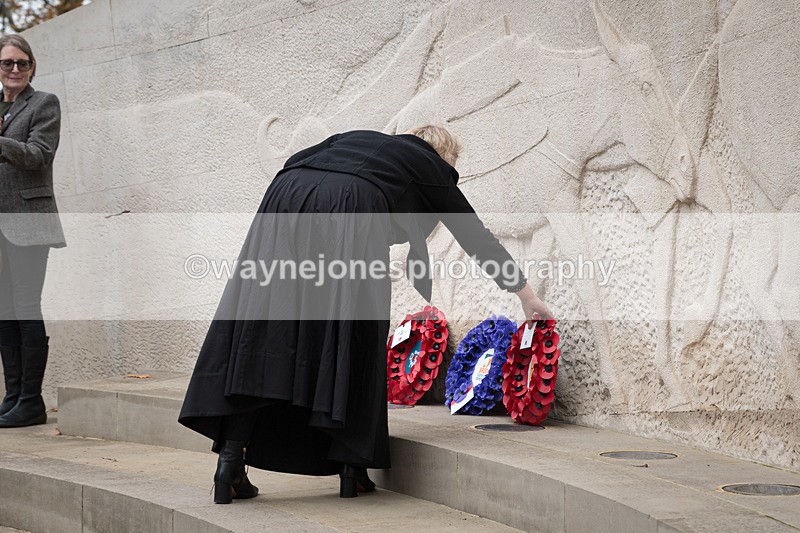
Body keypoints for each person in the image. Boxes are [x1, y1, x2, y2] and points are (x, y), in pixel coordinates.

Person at [178, 125, 551, 502]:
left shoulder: (360, 141)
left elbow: (304, 164)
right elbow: (473, 234)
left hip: (284, 196)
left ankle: (230, 463)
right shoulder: (429, 164)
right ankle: (351, 468)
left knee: (266, 330)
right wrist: (524, 293)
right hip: (352, 202)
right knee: (356, 329)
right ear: (443, 158)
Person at [0, 34, 65, 429]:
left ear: (32, 67)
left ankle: (31, 400)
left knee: (24, 306)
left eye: (22, 63)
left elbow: (40, 154)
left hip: (28, 220)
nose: (15, 70)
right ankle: (12, 398)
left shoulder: (44, 104)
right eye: (8, 63)